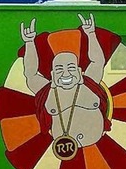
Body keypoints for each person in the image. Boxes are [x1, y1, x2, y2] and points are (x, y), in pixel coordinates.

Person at [20, 14, 110, 149]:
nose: (66, 73)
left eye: (71, 67)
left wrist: (91, 34)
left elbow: (98, 61)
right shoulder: (48, 91)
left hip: (98, 147)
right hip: (62, 151)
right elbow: (30, 74)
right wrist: (29, 43)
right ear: (52, 74)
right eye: (59, 69)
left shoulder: (89, 83)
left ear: (80, 72)